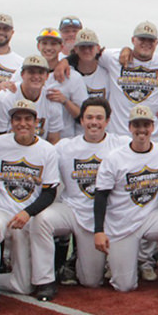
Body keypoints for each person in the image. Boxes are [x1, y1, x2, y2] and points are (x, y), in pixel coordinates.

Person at [0, 99, 61, 312]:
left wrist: (27, 213)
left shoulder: (47, 150)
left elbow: (49, 192)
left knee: (24, 286)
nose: (22, 123)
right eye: (17, 119)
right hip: (0, 210)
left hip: (26, 216)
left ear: (36, 122)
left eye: (27, 119)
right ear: (11, 122)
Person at [32, 98, 124, 288]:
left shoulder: (121, 145)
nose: (94, 122)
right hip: (71, 210)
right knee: (41, 219)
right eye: (89, 117)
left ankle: (76, 261)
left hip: (103, 217)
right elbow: (35, 152)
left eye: (99, 118)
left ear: (107, 121)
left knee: (91, 282)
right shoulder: (65, 147)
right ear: (81, 120)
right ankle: (45, 279)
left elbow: (156, 150)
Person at [92, 106, 158, 294]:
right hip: (121, 225)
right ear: (130, 127)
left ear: (153, 127)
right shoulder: (114, 158)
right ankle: (125, 260)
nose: (142, 130)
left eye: (146, 125)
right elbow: (101, 196)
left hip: (150, 219)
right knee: (124, 286)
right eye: (137, 125)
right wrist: (99, 230)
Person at [15, 27, 87, 138]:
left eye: (53, 44)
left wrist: (65, 101)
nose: (48, 48)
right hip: (30, 140)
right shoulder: (25, 72)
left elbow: (84, 115)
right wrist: (5, 85)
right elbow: (10, 90)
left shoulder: (73, 77)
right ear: (38, 46)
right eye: (44, 43)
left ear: (61, 47)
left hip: (64, 140)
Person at [0, 55, 64, 143]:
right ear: (22, 74)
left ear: (47, 76)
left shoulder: (52, 99)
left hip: (39, 149)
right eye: (31, 72)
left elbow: (53, 140)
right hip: (8, 148)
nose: (36, 76)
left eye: (40, 72)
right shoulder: (3, 99)